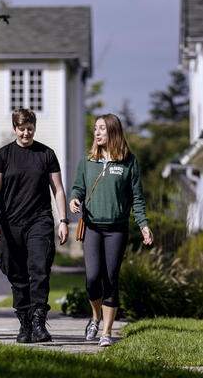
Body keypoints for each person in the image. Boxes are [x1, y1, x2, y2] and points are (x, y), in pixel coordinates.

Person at [0, 108, 68, 343]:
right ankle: (25, 323)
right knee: (16, 273)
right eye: (21, 129)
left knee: (39, 270)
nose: (26, 133)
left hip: (39, 220)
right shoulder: (3, 155)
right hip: (11, 223)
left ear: (34, 127)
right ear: (14, 129)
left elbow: (58, 189)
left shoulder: (46, 154)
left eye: (30, 128)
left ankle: (39, 322)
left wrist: (63, 220)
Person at [69, 113, 153, 347]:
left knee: (111, 279)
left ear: (113, 132)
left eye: (102, 129)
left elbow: (137, 198)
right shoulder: (87, 160)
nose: (97, 133)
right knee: (92, 279)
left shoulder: (128, 161)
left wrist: (143, 224)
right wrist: (74, 200)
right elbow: (78, 188)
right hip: (93, 228)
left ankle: (106, 331)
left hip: (117, 230)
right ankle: (95, 316)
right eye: (95, 128)